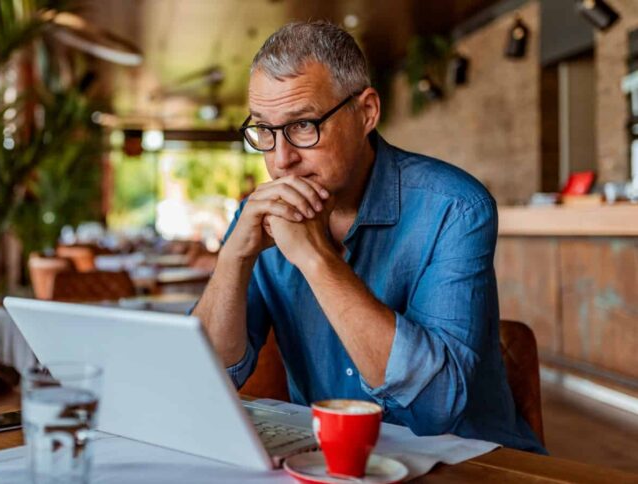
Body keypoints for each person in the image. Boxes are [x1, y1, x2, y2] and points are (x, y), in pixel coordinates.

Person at [191, 21, 545, 453]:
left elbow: (435, 410)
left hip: (467, 463)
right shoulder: (260, 217)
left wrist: (317, 260)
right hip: (332, 461)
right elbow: (204, 381)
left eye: (303, 125)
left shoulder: (454, 207)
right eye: (264, 130)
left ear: (367, 112)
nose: (281, 159)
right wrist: (233, 258)